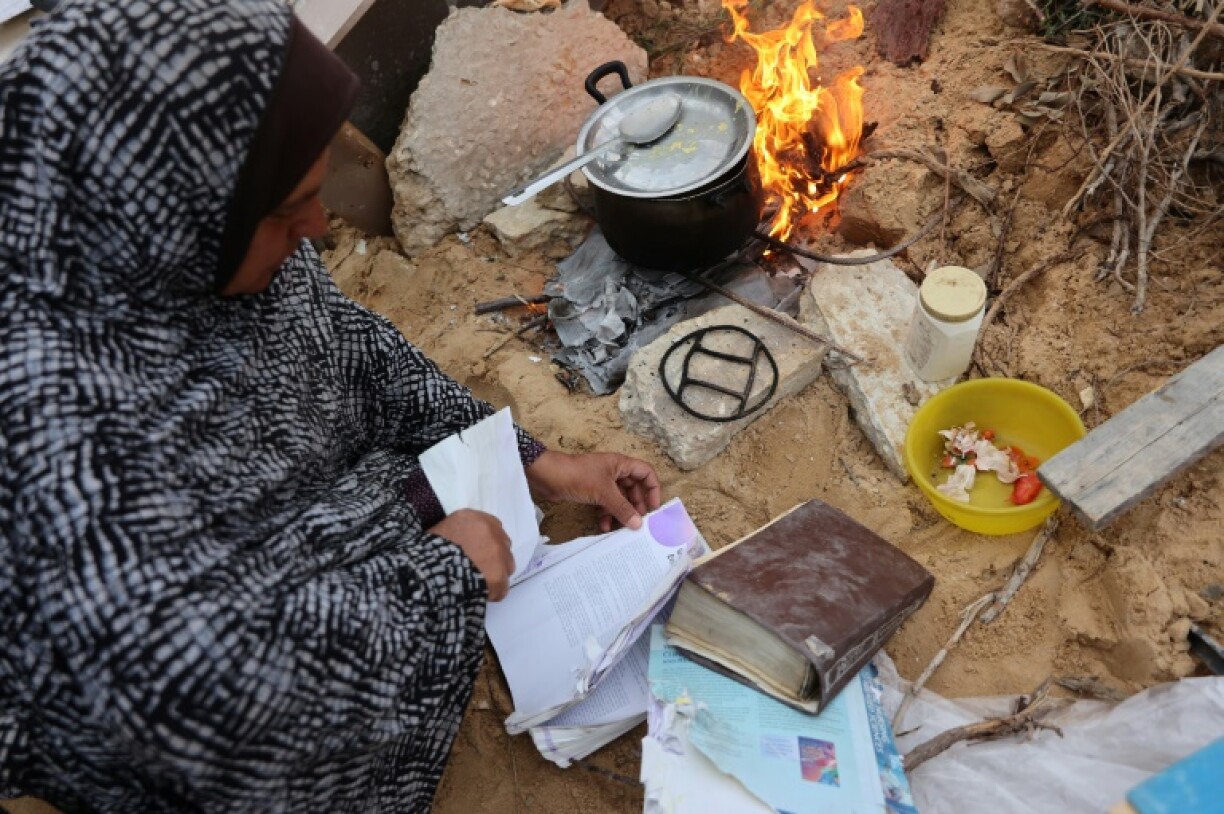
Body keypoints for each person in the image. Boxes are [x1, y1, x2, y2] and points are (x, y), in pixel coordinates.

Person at [0, 1, 660, 811]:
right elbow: (199, 699)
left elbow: (347, 345)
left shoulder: (177, 225)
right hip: (165, 708)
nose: (318, 228)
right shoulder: (54, 426)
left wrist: (539, 462)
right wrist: (440, 575)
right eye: (286, 213)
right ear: (173, 227)